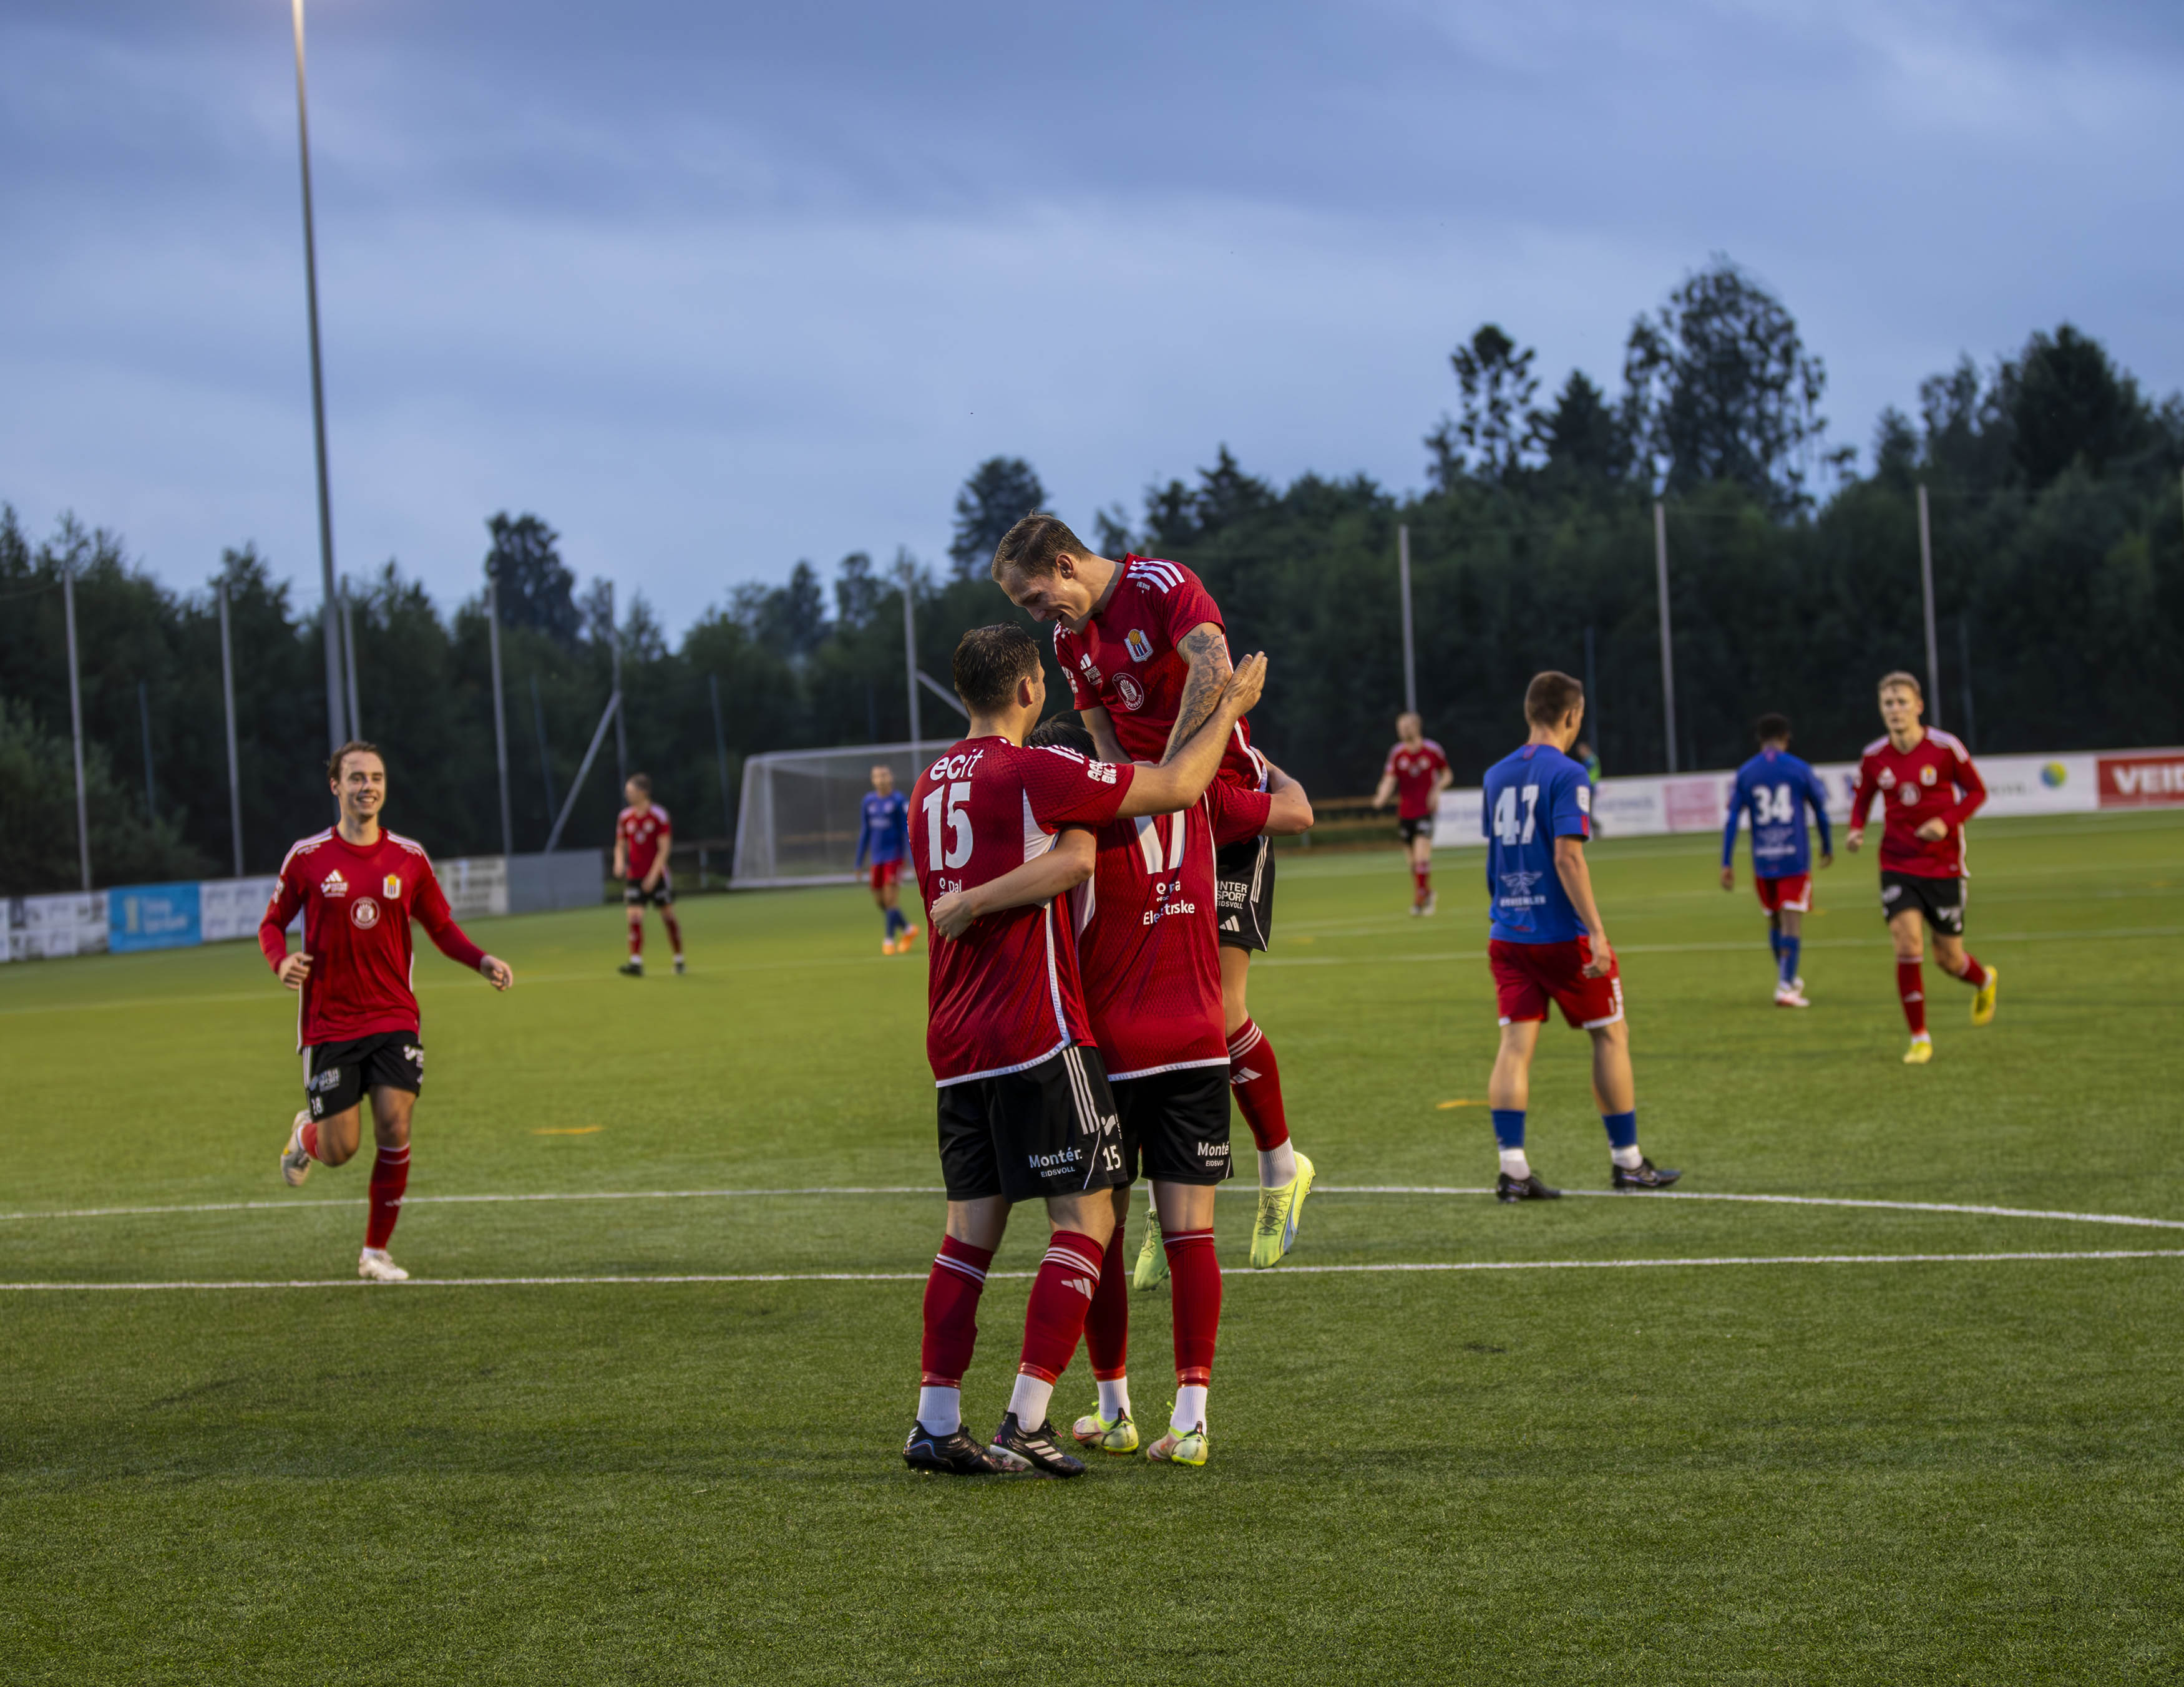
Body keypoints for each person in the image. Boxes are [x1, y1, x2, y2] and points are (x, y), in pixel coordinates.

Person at [899, 624, 1267, 1479]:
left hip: (955, 1039)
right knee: (1090, 1217)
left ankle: (935, 1418)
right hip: (1036, 1030)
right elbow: (1175, 786)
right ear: (1031, 688)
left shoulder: (926, 786)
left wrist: (976, 899)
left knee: (966, 1236)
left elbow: (1065, 859)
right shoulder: (1035, 770)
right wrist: (1231, 710)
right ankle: (1026, 1420)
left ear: (964, 693)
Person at [988, 514, 1312, 1270]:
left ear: (1065, 565)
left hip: (1221, 813)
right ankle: (1167, 1198)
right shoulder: (1072, 644)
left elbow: (1212, 672)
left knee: (1217, 1012)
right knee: (1134, 1011)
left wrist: (1173, 788)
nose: (1036, 618)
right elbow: (1102, 742)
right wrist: (1136, 805)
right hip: (1150, 817)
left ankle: (1279, 1167)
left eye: (1035, 597)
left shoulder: (1163, 585)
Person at [264, 742, 514, 1281]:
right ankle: (306, 1135)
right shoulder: (307, 858)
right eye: (355, 778)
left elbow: (441, 928)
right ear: (336, 786)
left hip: (394, 1014)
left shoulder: (409, 857)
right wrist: (281, 960)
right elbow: (270, 924)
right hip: (329, 1023)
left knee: (395, 1127)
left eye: (375, 777)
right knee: (341, 1149)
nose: (367, 787)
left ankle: (375, 1252)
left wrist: (481, 960)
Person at [1481, 672, 1678, 1200]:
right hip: (1560, 934)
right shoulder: (1568, 773)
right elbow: (1569, 856)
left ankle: (1513, 1170)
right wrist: (1596, 930)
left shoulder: (1495, 775)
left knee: (1515, 1046)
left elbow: (1495, 860)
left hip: (1508, 931)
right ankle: (1629, 1163)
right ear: (1572, 715)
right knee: (1611, 1034)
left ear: (1529, 712)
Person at [1846, 673, 1996, 1063]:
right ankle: (1919, 1037)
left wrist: (1946, 822)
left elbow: (1977, 792)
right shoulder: (1874, 756)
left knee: (1948, 959)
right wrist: (1857, 830)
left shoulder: (1946, 748)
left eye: (1901, 702)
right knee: (1907, 942)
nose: (1895, 710)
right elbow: (1863, 799)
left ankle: (1983, 979)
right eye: (1888, 704)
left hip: (1944, 864)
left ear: (1918, 706)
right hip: (1897, 861)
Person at [1721, 714, 1834, 1008]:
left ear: (1761, 740)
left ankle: (1787, 977)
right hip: (1793, 858)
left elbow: (1733, 819)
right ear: (1786, 738)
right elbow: (1820, 809)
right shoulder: (1798, 768)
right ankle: (1785, 986)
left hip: (1763, 859)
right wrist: (1827, 844)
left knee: (1774, 918)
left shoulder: (1746, 773)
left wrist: (1726, 862)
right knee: (1791, 920)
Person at [1373, 713, 1452, 915]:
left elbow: (1447, 775)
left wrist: (1436, 789)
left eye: (1408, 726)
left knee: (1421, 857)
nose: (1404, 730)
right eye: (1401, 727)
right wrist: (1381, 796)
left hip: (1426, 811)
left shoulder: (1432, 750)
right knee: (1412, 863)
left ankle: (1420, 901)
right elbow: (1389, 779)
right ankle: (1427, 892)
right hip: (1405, 813)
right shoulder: (1397, 753)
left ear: (1417, 727)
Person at [613, 775, 683, 976]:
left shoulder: (659, 815)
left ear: (643, 792)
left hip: (657, 875)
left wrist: (653, 876)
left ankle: (679, 958)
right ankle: (636, 962)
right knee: (634, 916)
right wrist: (619, 862)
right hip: (634, 875)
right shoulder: (625, 817)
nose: (628, 795)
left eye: (631, 791)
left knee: (668, 916)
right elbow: (620, 845)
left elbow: (664, 849)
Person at [856, 764, 919, 955]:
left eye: (884, 775)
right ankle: (908, 929)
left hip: (894, 857)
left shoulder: (899, 800)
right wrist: (859, 862)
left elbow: (905, 831)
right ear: (872, 780)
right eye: (877, 776)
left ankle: (889, 940)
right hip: (877, 859)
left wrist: (911, 859)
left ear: (891, 777)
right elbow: (865, 832)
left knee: (891, 899)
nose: (881, 779)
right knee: (881, 902)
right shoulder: (868, 802)